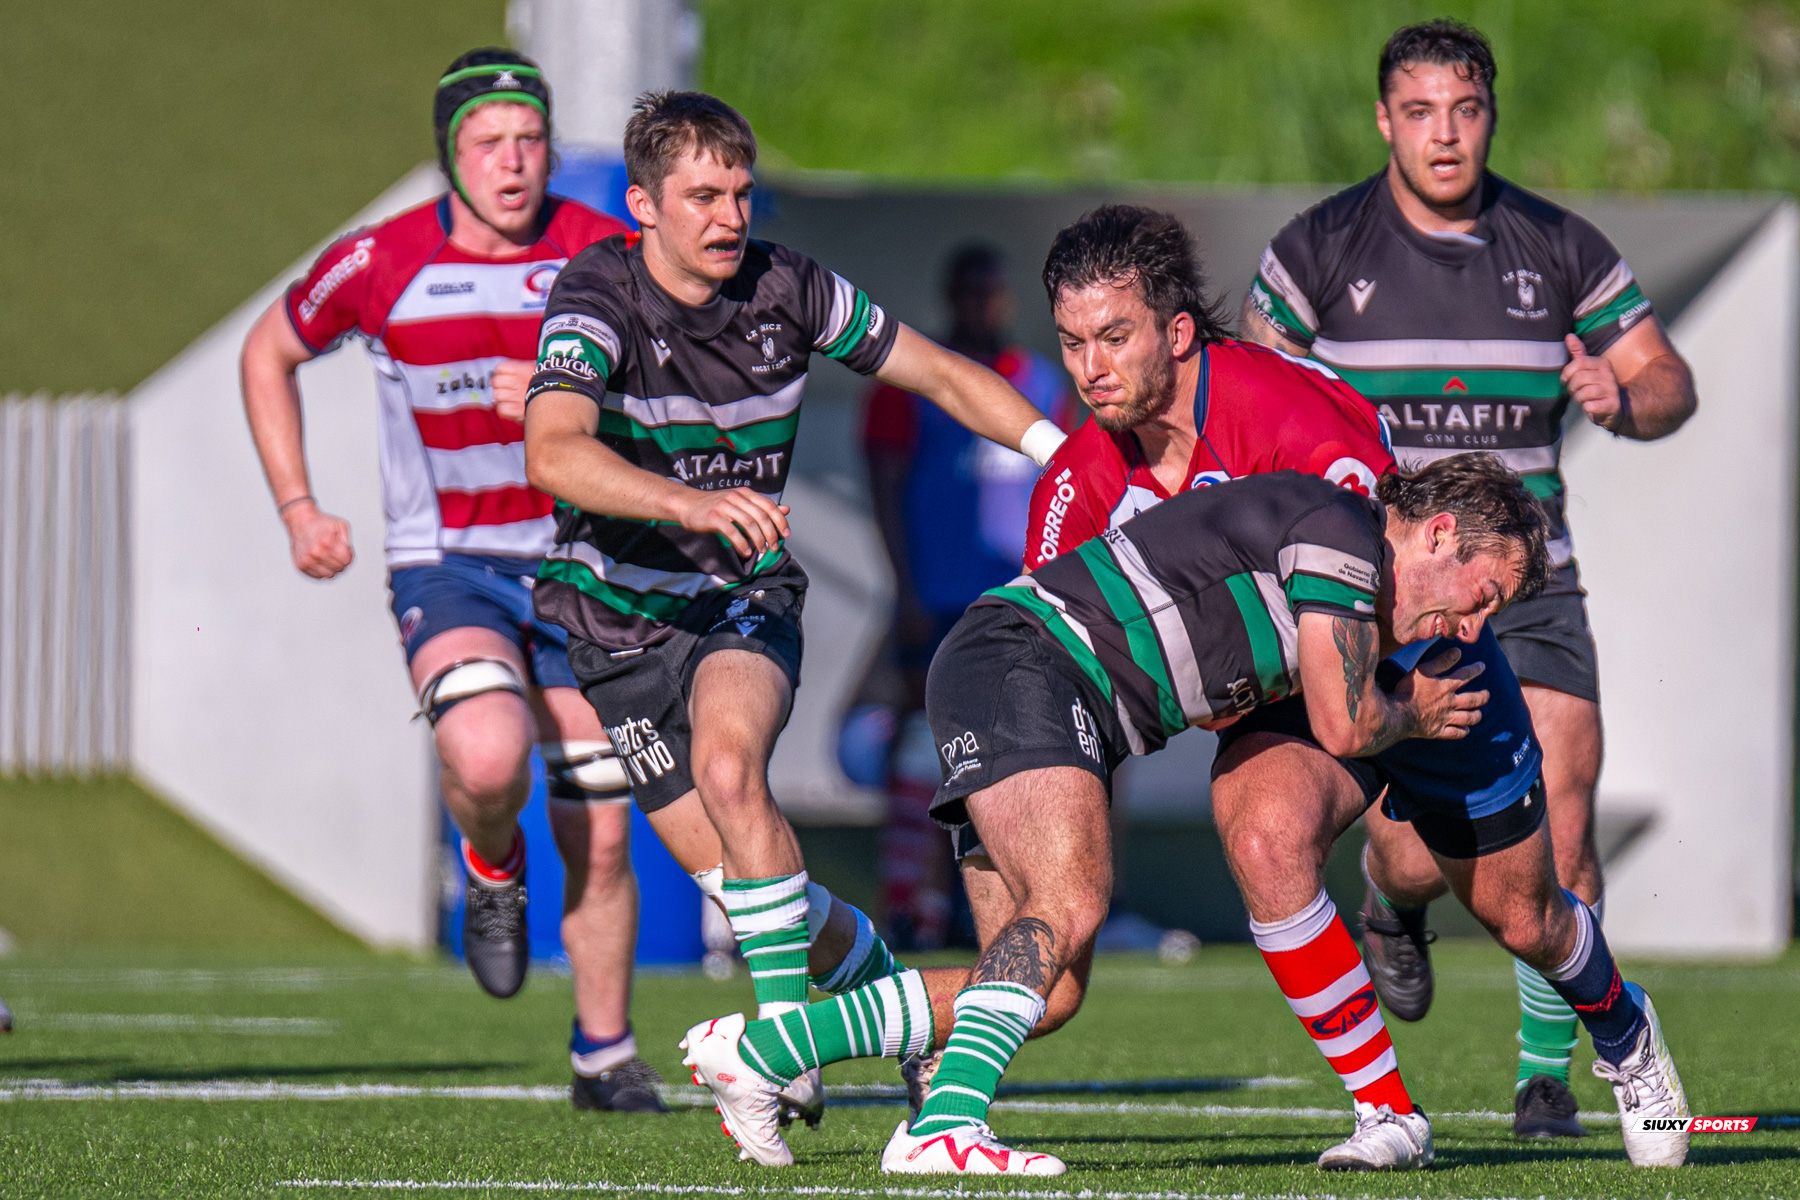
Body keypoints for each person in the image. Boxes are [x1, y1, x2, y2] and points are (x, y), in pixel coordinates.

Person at [684, 209, 1690, 1176]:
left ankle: (1623, 1029)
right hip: (1259, 691)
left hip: (1402, 659)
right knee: (1207, 869)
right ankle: (1387, 1113)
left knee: (1522, 914)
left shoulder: (1294, 419)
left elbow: (1397, 591)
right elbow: (1052, 672)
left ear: (1175, 332)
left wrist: (1413, 703)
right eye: (1072, 342)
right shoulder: (1078, 480)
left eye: (1114, 337)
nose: (1091, 368)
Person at [520, 90, 1065, 1162]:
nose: (730, 216)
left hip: (743, 597)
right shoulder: (594, 294)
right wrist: (685, 502)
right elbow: (553, 448)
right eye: (702, 197)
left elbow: (939, 373)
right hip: (614, 627)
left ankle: (777, 1051)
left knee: (732, 773)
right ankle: (902, 1019)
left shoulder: (791, 288)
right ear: (642, 206)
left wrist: (1064, 454)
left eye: (740, 192)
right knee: (759, 898)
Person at [1240, 19, 1697, 1137]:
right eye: (1420, 112)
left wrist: (1626, 400)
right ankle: (1391, 902)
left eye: (1466, 110)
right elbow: (1250, 399)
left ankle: (1548, 1077)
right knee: (1414, 849)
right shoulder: (1319, 249)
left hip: (1530, 589)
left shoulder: (1559, 245)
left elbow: (1668, 381)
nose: (1444, 135)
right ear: (1384, 121)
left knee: (1563, 816)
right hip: (1392, 594)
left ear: (1491, 116)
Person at [240, 49, 664, 1112]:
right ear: (449, 156)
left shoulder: (604, 255)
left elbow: (679, 390)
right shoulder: (381, 261)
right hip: (453, 563)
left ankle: (605, 1054)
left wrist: (578, 400)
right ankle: (490, 864)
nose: (512, 162)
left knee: (602, 819)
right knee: (485, 754)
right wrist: (298, 506)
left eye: (530, 140)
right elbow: (266, 352)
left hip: (584, 563)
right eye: (488, 144)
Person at [861, 244, 1075, 948]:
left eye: (994, 291)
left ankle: (1004, 903)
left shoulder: (1042, 382)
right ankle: (910, 904)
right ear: (950, 297)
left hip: (1019, 604)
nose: (984, 305)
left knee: (1013, 754)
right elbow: (885, 490)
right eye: (971, 292)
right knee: (923, 750)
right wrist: (903, 587)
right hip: (937, 600)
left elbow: (1070, 485)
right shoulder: (908, 383)